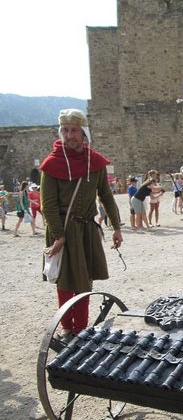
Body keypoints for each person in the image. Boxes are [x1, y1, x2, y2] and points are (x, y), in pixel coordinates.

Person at [40, 108, 123, 339]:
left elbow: (105, 196)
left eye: (74, 130)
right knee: (65, 282)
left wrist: (116, 227)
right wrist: (58, 236)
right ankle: (67, 328)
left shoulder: (95, 162)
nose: (69, 135)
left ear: (83, 132)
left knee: (85, 282)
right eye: (65, 130)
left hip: (87, 229)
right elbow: (49, 204)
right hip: (63, 230)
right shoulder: (51, 164)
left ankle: (81, 330)